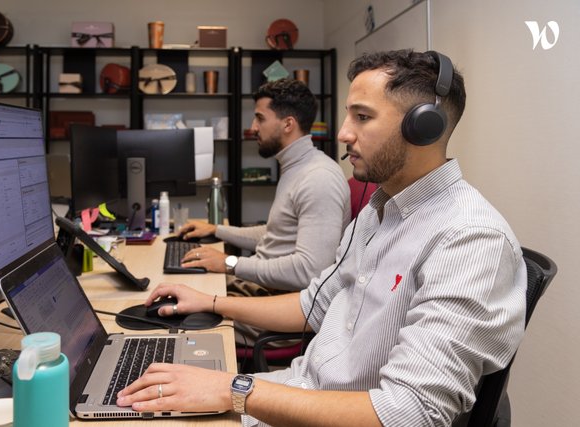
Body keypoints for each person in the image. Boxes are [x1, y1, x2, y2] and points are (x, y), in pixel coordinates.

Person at [116, 49, 527, 427]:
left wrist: (232, 389)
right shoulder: (378, 211)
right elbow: (314, 304)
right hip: (301, 393)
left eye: (362, 117)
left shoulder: (469, 240)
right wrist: (210, 303)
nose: (344, 133)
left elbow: (410, 411)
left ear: (424, 127)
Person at [178, 78, 350, 295]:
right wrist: (217, 230)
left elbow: (310, 270)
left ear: (288, 124)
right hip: (261, 286)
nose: (253, 128)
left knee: (177, 309)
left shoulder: (318, 178)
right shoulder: (296, 167)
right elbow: (276, 234)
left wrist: (230, 263)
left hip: (274, 297)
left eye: (260, 119)